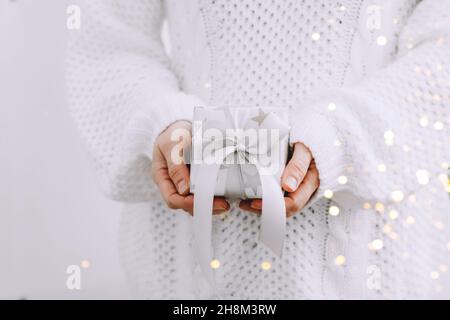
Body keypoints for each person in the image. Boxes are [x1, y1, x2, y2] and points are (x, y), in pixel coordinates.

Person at [67, 0, 450, 299]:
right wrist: (162, 122)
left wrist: (340, 137)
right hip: (185, 264)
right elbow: (106, 42)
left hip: (371, 259)